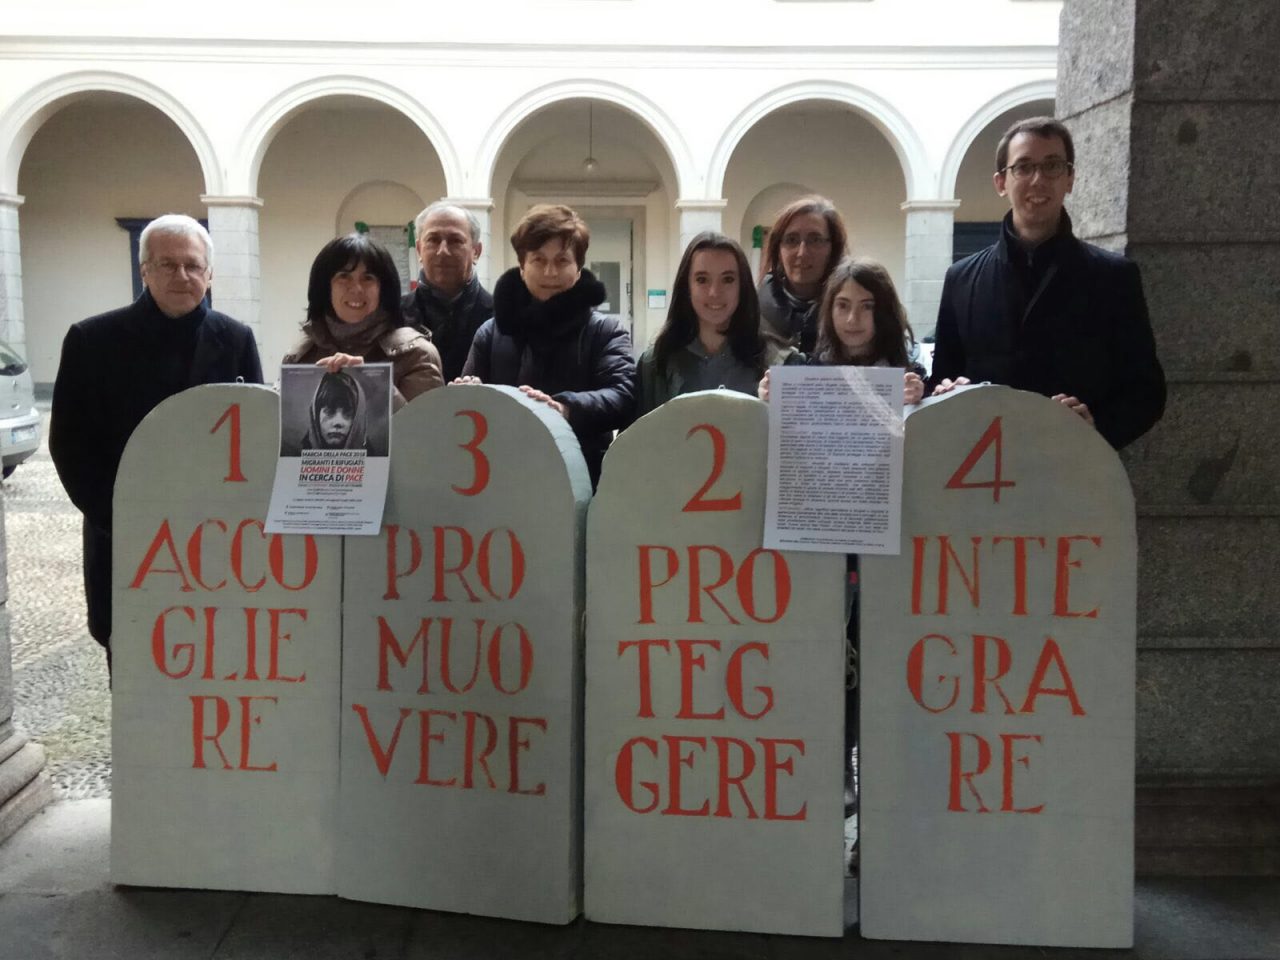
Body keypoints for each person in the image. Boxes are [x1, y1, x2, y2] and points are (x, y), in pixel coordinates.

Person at [50, 213, 263, 671]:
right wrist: (129, 521)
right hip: (127, 541)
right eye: (167, 265)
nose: (181, 276)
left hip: (216, 548)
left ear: (209, 273)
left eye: (192, 265)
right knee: (135, 680)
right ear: (144, 270)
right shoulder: (92, 340)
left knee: (218, 668)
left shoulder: (237, 339)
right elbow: (71, 449)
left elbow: (255, 441)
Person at [928, 116, 1166, 449]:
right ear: (1001, 182)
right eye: (1023, 167)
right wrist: (945, 393)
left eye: (1052, 166)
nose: (1038, 179)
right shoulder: (962, 278)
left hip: (1073, 468)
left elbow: (1146, 392)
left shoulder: (1115, 277)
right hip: (979, 470)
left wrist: (1096, 426)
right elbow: (942, 379)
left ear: (1069, 178)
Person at [457, 204, 635, 487]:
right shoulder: (491, 333)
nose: (550, 272)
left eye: (562, 261)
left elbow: (622, 396)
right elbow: (471, 408)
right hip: (500, 478)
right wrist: (468, 393)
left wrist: (566, 408)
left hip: (579, 476)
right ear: (522, 267)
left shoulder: (604, 331)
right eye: (539, 260)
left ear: (578, 269)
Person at [635, 231, 796, 418]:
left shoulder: (779, 363)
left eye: (728, 279)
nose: (714, 292)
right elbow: (637, 442)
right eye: (702, 280)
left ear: (742, 287)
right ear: (686, 286)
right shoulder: (656, 363)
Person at [284, 233, 443, 410]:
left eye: (368, 278)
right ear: (325, 287)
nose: (356, 288)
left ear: (384, 289)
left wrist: (372, 382)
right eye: (344, 276)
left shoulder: (416, 354)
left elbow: (425, 431)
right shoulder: (301, 355)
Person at [758, 257, 926, 405]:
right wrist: (768, 399)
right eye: (843, 305)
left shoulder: (910, 376)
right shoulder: (803, 373)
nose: (852, 319)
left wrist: (917, 403)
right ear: (830, 310)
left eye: (867, 306)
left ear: (885, 311)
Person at [402, 201, 493, 382]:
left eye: (455, 241)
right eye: (433, 240)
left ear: (476, 251)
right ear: (419, 249)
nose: (443, 251)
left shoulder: (502, 319)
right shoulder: (392, 316)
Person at [758, 195, 848, 354]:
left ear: (833, 248)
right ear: (778, 249)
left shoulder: (855, 310)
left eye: (815, 240)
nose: (802, 252)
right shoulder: (753, 313)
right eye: (791, 240)